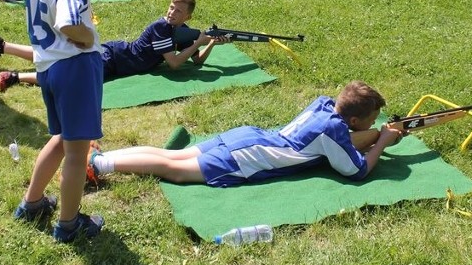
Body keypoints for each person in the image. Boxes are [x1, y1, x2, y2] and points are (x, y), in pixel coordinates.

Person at [13, 0, 105, 243]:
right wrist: (89, 38)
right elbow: (69, 23)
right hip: (73, 66)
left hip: (48, 65)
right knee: (76, 152)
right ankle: (68, 225)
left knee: (62, 137)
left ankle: (32, 203)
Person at [86, 80, 406, 186]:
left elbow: (341, 138)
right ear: (352, 120)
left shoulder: (324, 105)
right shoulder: (334, 130)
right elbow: (358, 170)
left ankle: (103, 156)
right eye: (370, 120)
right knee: (176, 171)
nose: (372, 124)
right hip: (250, 156)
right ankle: (99, 166)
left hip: (246, 136)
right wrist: (383, 141)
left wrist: (372, 134)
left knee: (172, 154)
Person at [0, 0, 229, 92]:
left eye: (178, 11)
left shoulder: (180, 31)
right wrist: (198, 42)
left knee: (61, 59)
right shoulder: (162, 27)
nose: (172, 13)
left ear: (188, 17)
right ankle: (14, 76)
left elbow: (194, 62)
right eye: (171, 7)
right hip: (114, 59)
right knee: (66, 72)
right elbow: (175, 64)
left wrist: (209, 44)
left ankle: (3, 47)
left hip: (115, 59)